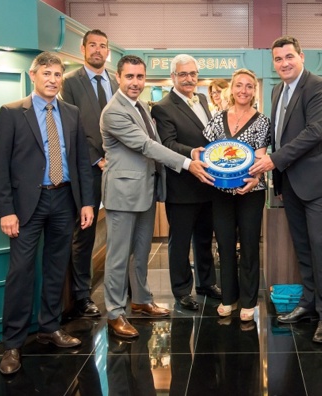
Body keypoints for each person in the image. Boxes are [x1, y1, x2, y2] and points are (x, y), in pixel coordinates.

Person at [0, 52, 94, 374]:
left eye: (57, 74)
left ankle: (50, 327)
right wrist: (5, 210)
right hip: (26, 207)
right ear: (33, 75)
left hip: (64, 199)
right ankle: (12, 345)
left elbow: (80, 163)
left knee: (55, 267)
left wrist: (87, 202)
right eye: (46, 73)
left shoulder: (72, 113)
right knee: (21, 272)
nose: (52, 79)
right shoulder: (11, 113)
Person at [250, 35, 322, 343]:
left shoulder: (318, 87)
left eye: (289, 56)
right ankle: (309, 302)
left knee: (320, 245)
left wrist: (273, 160)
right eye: (278, 59)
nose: (284, 63)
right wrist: (272, 166)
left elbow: (314, 132)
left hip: (316, 183)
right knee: (302, 246)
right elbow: (278, 134)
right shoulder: (277, 90)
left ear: (301, 56)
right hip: (289, 183)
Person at [100, 55, 193, 338]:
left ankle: (140, 299)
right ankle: (115, 312)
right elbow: (145, 145)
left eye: (140, 77)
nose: (135, 83)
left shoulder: (140, 106)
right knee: (118, 256)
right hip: (123, 194)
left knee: (140, 253)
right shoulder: (113, 111)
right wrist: (187, 162)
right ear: (118, 77)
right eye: (129, 77)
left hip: (145, 190)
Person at [151, 54, 221, 311]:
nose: (189, 79)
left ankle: (206, 283)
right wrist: (194, 152)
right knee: (179, 242)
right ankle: (181, 290)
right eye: (183, 74)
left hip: (207, 184)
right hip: (182, 186)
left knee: (204, 238)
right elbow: (167, 144)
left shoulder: (201, 99)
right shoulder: (163, 107)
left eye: (193, 74)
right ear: (173, 77)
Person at [199, 68, 270, 321]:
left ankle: (249, 302)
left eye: (249, 86)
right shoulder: (218, 118)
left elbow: (261, 155)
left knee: (250, 245)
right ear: (232, 87)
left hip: (251, 190)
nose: (244, 90)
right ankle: (229, 297)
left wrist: (256, 179)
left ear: (254, 91)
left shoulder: (262, 121)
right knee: (225, 243)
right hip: (220, 191)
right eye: (239, 85)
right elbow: (207, 150)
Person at [60, 29, 118, 318]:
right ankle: (82, 296)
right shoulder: (70, 83)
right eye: (93, 45)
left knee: (122, 227)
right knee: (85, 232)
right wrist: (96, 159)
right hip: (88, 169)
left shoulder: (119, 82)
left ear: (108, 51)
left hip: (119, 167)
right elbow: (72, 129)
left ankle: (123, 286)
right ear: (83, 48)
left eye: (103, 46)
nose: (98, 50)